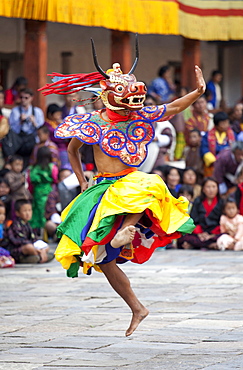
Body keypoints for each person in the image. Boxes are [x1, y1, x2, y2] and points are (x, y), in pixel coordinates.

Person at [40, 42, 206, 336]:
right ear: (108, 95)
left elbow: (174, 107)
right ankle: (137, 308)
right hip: (103, 186)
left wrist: (197, 93)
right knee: (102, 259)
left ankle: (125, 230)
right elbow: (72, 150)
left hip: (129, 181)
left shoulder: (139, 115)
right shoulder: (92, 121)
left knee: (150, 185)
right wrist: (81, 179)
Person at [177, 177, 224, 250]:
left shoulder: (222, 202)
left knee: (224, 236)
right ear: (203, 189)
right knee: (183, 238)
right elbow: (193, 219)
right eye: (208, 187)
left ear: (217, 189)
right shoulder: (198, 201)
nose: (211, 190)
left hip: (215, 232)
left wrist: (211, 235)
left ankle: (198, 245)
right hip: (199, 232)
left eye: (214, 187)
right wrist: (200, 233)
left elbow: (223, 221)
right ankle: (209, 245)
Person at [2, 199, 52, 263]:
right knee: (29, 247)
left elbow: (34, 238)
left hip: (30, 247)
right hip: (15, 249)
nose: (28, 213)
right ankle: (38, 257)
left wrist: (41, 249)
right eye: (24, 211)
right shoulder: (16, 224)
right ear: (17, 213)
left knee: (45, 246)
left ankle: (38, 256)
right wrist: (37, 249)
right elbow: (19, 241)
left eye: (29, 210)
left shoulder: (27, 224)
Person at [4, 88, 44, 167]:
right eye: (21, 97)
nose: (23, 100)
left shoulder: (37, 111)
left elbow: (42, 129)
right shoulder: (15, 111)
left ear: (31, 98)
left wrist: (34, 122)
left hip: (32, 141)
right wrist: (20, 121)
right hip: (18, 142)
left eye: (26, 98)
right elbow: (12, 128)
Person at [27, 146, 58, 231]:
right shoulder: (52, 168)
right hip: (50, 193)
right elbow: (55, 180)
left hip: (37, 193)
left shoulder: (32, 168)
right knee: (49, 213)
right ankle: (49, 233)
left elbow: (29, 183)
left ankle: (37, 233)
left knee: (37, 213)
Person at [200, 111, 235, 176]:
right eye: (223, 123)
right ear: (216, 125)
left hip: (228, 165)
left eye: (227, 122)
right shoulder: (207, 136)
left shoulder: (233, 135)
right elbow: (204, 149)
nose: (226, 125)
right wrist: (216, 161)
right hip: (213, 164)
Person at [44, 168, 74, 239]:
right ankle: (58, 235)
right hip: (59, 222)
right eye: (64, 177)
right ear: (59, 180)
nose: (67, 179)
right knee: (49, 224)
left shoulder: (76, 191)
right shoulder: (54, 194)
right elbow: (52, 210)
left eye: (69, 177)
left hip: (72, 220)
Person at [44, 103, 70, 169]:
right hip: (53, 148)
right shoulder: (47, 125)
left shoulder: (58, 123)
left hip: (62, 147)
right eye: (57, 114)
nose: (59, 116)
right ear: (50, 114)